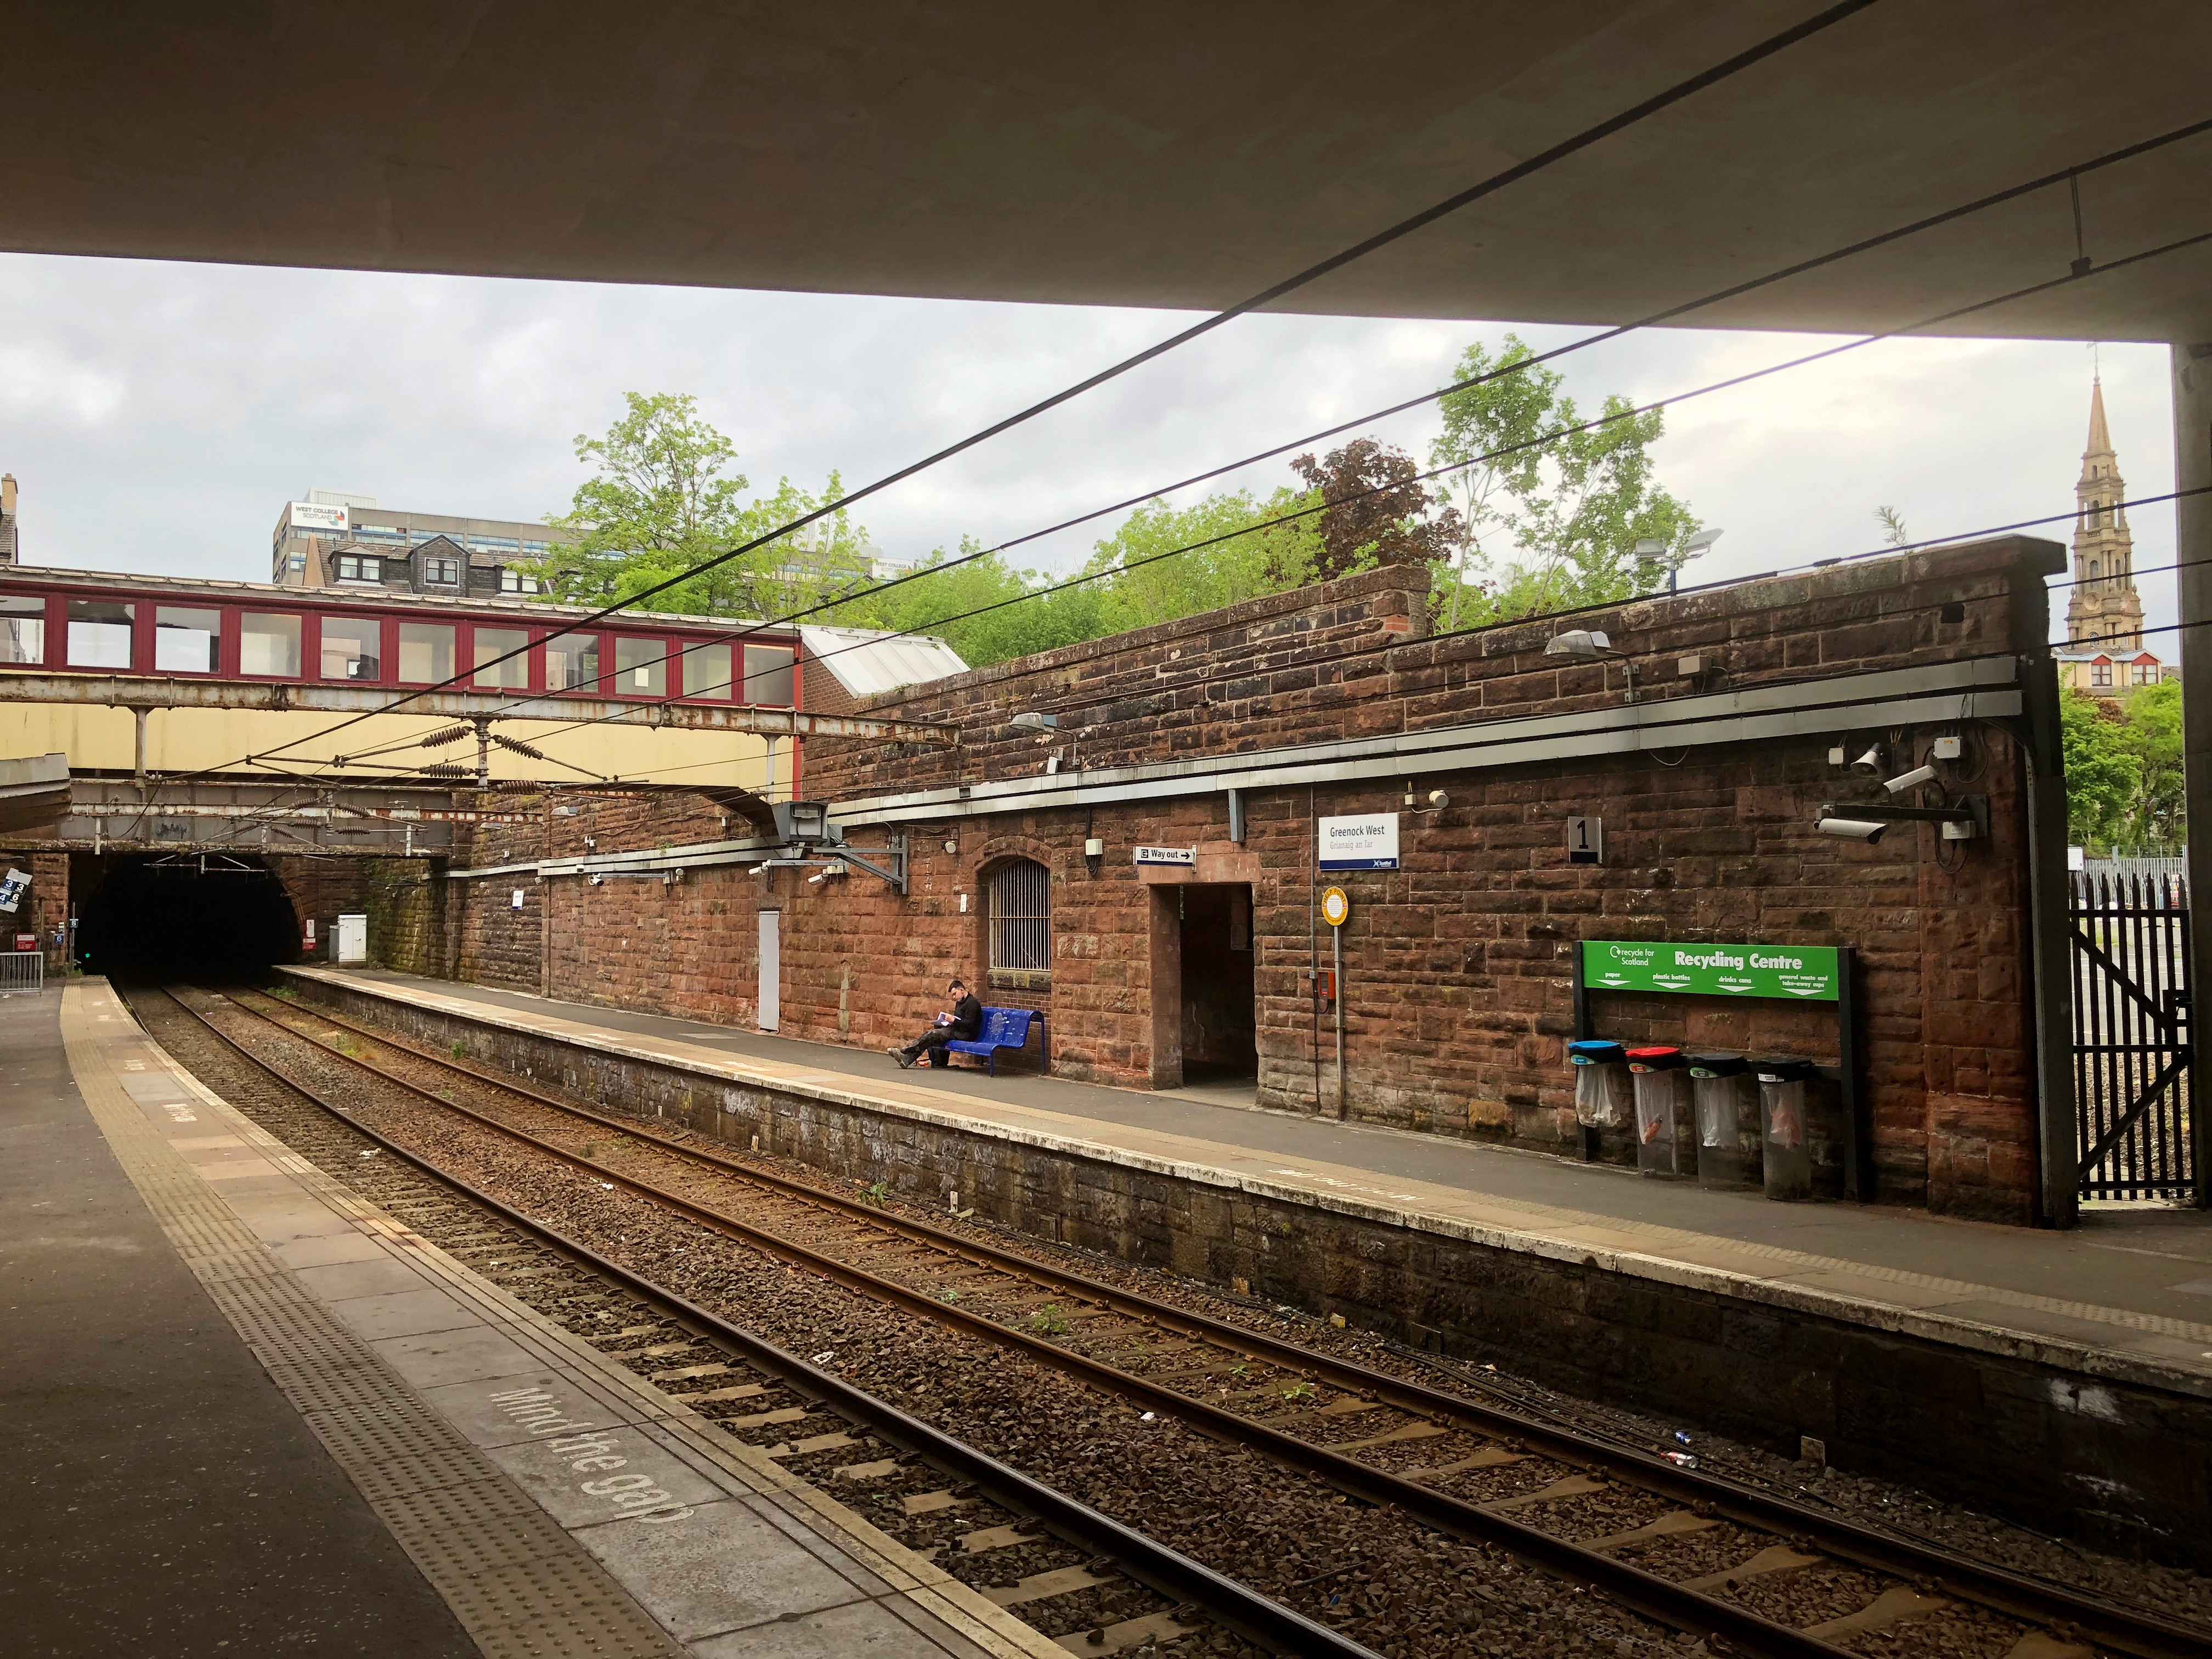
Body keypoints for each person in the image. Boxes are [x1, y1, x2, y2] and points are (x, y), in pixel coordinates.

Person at [890, 979, 982, 1069]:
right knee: (929, 1034)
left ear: (961, 990)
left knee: (933, 1035)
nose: (954, 998)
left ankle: (905, 1051)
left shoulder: (972, 1003)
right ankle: (907, 1059)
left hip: (966, 1035)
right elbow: (960, 1020)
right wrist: (944, 1022)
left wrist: (953, 1021)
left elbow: (970, 1025)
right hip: (956, 1030)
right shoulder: (960, 1002)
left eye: (955, 994)